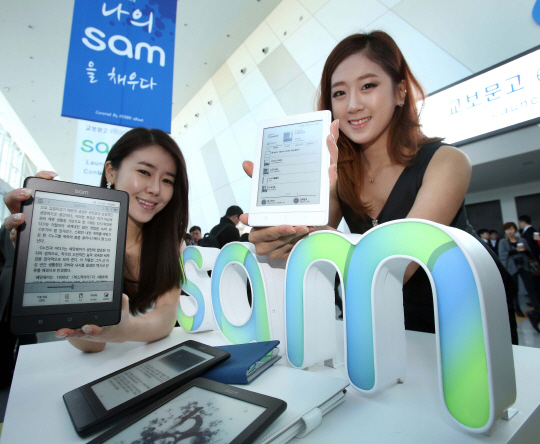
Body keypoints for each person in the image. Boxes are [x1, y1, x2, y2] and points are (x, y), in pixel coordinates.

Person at [240, 31, 518, 343]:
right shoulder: (338, 175)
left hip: (469, 318)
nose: (353, 105)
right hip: (390, 319)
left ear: (400, 92)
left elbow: (401, 265)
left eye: (368, 86)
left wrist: (315, 236)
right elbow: (307, 241)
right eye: (339, 93)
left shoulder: (447, 161)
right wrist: (281, 231)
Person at [3, 128, 189, 353]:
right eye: (144, 172)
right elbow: (90, 345)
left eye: (167, 180)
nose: (155, 189)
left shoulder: (173, 245)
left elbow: (167, 316)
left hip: (154, 361)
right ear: (111, 172)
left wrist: (125, 330)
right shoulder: (81, 235)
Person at [499, 222, 540, 331]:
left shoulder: (522, 240)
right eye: (507, 229)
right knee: (514, 288)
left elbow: (530, 253)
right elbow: (502, 255)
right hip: (511, 267)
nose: (509, 231)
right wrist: (514, 251)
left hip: (524, 266)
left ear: (515, 230)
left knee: (530, 287)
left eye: (511, 229)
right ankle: (517, 308)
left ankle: (537, 307)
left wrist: (525, 250)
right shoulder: (503, 242)